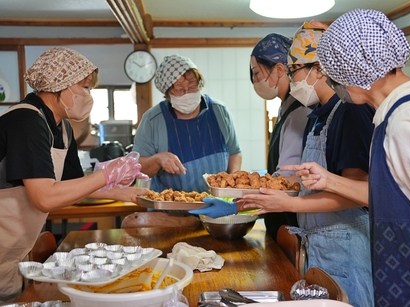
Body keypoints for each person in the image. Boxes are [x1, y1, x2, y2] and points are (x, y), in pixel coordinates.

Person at [192, 21, 376, 307]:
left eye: (294, 71)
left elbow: (355, 192)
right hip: (320, 244)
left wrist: (290, 204)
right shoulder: (318, 117)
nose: (291, 79)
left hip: (346, 245)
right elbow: (305, 184)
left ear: (319, 68)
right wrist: (246, 202)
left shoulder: (350, 112)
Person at [295, 8, 410, 306]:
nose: (334, 83)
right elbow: (405, 194)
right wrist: (329, 179)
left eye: (335, 73)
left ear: (356, 71)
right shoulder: (398, 112)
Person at [0, 47, 149, 303]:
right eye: (85, 87)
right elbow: (45, 198)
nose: (89, 96)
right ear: (60, 83)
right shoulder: (25, 120)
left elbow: (71, 186)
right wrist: (107, 174)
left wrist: (121, 191)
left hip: (16, 249)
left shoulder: (63, 128)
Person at [133, 54, 242, 193]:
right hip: (170, 211)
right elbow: (138, 168)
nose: (187, 94)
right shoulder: (152, 120)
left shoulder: (219, 111)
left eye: (192, 87)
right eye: (179, 90)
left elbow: (235, 152)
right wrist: (157, 159)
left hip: (217, 207)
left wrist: (231, 183)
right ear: (167, 94)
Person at [249, 33, 312, 240]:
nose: (255, 81)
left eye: (257, 73)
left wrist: (244, 193)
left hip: (290, 220)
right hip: (279, 219)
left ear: (279, 69)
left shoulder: (300, 112)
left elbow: (286, 179)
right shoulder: (286, 107)